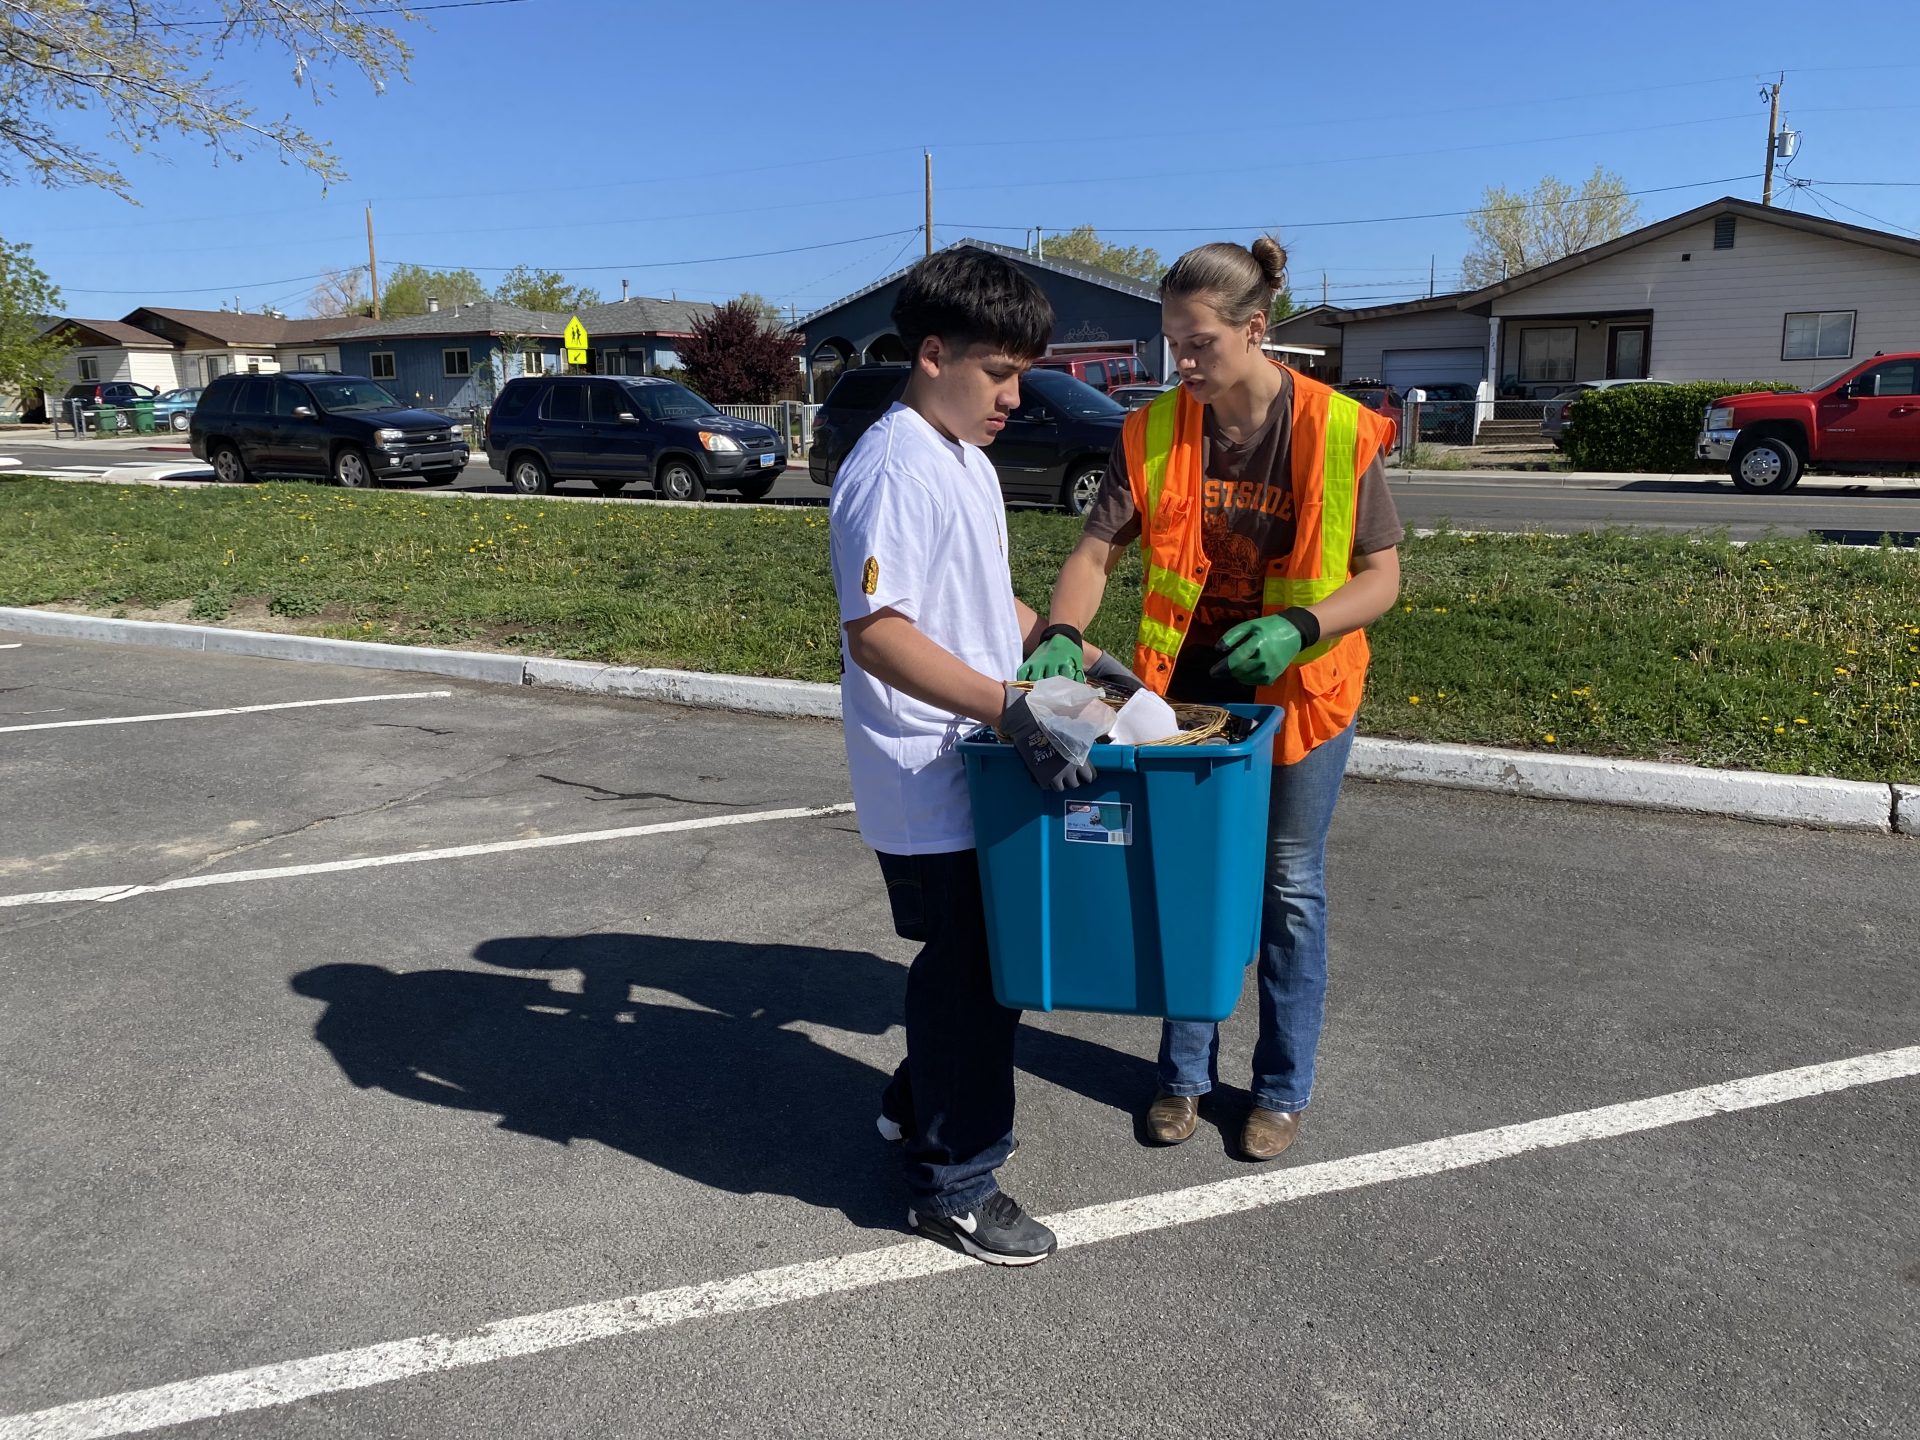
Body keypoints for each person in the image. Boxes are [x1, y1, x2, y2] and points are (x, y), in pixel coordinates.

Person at [1026, 237, 1403, 1162]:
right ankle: (1183, 1075)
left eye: (1199, 345)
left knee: (1287, 887)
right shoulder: (1151, 432)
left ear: (1255, 329)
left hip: (1301, 694)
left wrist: (1303, 625)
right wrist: (1067, 633)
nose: (1182, 365)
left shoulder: (1336, 429)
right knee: (1184, 877)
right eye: (1171, 345)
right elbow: (1094, 553)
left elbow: (1383, 578)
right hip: (1185, 702)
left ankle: (1279, 1088)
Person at [828, 248, 1131, 1266]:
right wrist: (1009, 707)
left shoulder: (963, 456)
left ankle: (917, 1105)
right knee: (974, 976)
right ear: (930, 353)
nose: (1018, 394)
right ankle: (954, 1182)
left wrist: (1065, 647)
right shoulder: (892, 466)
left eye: (1024, 373)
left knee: (979, 964)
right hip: (929, 770)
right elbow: (878, 629)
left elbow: (979, 599)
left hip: (983, 755)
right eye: (1000, 372)